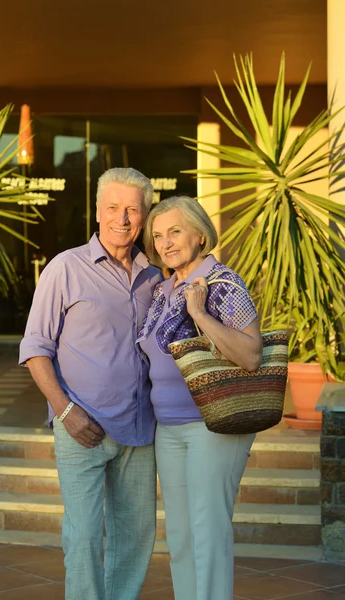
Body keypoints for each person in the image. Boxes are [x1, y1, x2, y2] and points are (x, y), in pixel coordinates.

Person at [19, 167, 162, 600]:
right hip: (80, 428)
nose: (122, 218)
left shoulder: (153, 278)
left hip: (140, 431)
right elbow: (34, 349)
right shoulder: (65, 268)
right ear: (97, 211)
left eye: (132, 210)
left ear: (144, 217)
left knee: (136, 537)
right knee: (82, 538)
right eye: (113, 208)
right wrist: (65, 411)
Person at [137, 195, 263, 600]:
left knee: (208, 531)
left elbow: (250, 354)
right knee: (181, 535)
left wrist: (201, 315)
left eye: (174, 231)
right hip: (169, 427)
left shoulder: (223, 283)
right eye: (157, 236)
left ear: (199, 233)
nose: (165, 243)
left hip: (213, 424)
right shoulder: (163, 289)